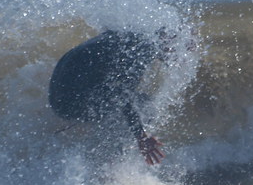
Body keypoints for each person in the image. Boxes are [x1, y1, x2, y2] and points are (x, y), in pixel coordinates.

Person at [48, 29, 166, 165]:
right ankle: (106, 164)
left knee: (120, 97)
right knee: (144, 105)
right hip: (73, 105)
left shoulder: (124, 36)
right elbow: (122, 95)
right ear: (163, 40)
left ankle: (74, 129)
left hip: (56, 97)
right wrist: (141, 136)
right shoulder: (142, 51)